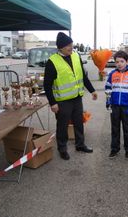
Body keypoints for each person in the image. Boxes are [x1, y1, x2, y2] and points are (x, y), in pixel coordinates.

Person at [44, 32, 98, 160]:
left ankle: (80, 145)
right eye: (68, 45)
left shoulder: (75, 56)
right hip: (62, 101)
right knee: (62, 126)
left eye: (71, 44)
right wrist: (53, 103)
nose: (71, 47)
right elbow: (47, 85)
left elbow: (82, 76)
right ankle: (62, 148)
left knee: (79, 122)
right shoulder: (52, 62)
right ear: (60, 47)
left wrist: (92, 90)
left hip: (77, 98)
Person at [105, 50, 128, 159]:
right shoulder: (112, 74)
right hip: (114, 106)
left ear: (127, 61)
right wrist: (108, 101)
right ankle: (114, 149)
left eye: (122, 61)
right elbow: (108, 88)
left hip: (126, 106)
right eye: (117, 61)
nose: (119, 64)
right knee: (115, 128)